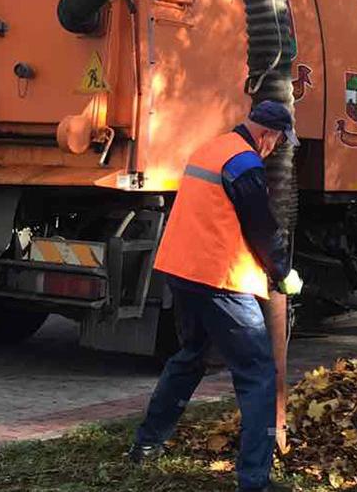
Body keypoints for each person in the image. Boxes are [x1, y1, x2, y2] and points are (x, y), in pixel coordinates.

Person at [128, 101, 304, 492]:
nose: (275, 148)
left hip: (181, 272)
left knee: (190, 357)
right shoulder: (245, 163)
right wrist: (283, 273)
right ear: (266, 135)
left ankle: (146, 444)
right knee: (258, 374)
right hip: (220, 280)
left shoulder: (212, 148)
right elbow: (262, 228)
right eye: (277, 141)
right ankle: (255, 481)